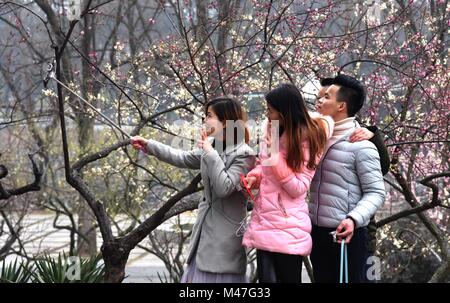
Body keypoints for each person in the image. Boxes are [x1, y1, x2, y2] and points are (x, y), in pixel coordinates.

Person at [130, 97, 256, 283]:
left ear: (225, 120)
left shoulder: (244, 153)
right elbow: (181, 157)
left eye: (209, 116)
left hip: (224, 239)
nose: (205, 120)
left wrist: (210, 153)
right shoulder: (213, 145)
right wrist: (149, 145)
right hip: (204, 237)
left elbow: (224, 188)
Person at [241, 83, 334, 283]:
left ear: (284, 112)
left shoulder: (309, 139)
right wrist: (255, 177)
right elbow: (264, 167)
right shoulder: (273, 132)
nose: (267, 115)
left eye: (270, 110)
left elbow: (298, 188)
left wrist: (276, 157)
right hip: (265, 221)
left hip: (288, 227)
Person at [309, 74, 386, 283]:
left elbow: (377, 192)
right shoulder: (316, 140)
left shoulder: (361, 145)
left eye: (326, 97)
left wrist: (353, 219)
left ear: (341, 105)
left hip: (346, 235)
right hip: (317, 233)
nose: (319, 102)